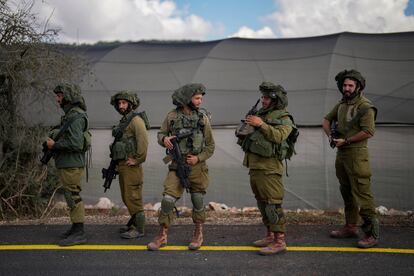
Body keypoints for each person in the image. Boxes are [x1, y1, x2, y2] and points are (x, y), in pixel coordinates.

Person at [147, 83, 215, 251]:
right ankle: (162, 235)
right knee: (167, 200)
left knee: (197, 200)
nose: (200, 101)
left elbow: (210, 146)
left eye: (201, 98)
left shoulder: (202, 119)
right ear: (187, 99)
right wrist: (164, 140)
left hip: (197, 167)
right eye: (197, 98)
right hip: (176, 166)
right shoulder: (172, 116)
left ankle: (198, 233)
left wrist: (198, 158)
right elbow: (160, 134)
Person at [237, 81, 296, 256]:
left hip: (269, 168)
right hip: (255, 166)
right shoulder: (260, 114)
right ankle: (270, 235)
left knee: (272, 203)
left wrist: (260, 124)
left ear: (276, 99)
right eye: (262, 97)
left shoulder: (284, 117)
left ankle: (280, 240)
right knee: (262, 203)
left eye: (267, 98)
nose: (263, 100)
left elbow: (279, 136)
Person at [322, 69, 379, 248]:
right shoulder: (342, 104)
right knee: (347, 192)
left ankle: (372, 234)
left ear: (358, 87)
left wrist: (346, 140)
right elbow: (326, 120)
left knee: (362, 194)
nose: (346, 88)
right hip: (342, 155)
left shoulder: (365, 106)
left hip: (357, 155)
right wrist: (331, 136)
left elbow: (369, 131)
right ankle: (351, 226)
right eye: (345, 85)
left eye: (350, 85)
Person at [47, 83, 89, 246]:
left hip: (71, 164)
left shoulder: (76, 116)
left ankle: (79, 233)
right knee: (71, 196)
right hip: (67, 163)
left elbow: (76, 143)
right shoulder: (70, 115)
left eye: (60, 96)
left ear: (68, 96)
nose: (57, 99)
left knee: (73, 196)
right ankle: (75, 227)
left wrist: (54, 145)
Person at [110, 91, 149, 239]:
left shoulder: (136, 120)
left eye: (124, 103)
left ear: (131, 104)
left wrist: (137, 160)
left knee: (133, 197)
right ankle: (133, 223)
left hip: (132, 166)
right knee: (127, 196)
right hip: (123, 165)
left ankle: (139, 229)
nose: (121, 106)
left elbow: (143, 142)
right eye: (119, 103)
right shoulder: (125, 121)